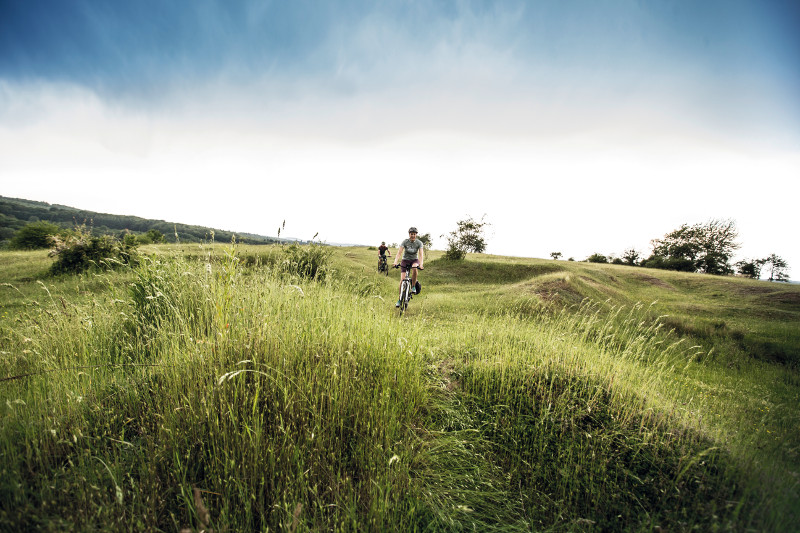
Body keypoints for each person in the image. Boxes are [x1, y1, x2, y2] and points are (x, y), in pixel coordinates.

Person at [392, 227, 424, 307]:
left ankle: (413, 286)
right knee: (402, 280)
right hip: (405, 260)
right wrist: (395, 262)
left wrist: (421, 264)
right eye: (411, 234)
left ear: (416, 235)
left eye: (414, 234)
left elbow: (421, 255)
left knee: (414, 268)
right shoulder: (405, 242)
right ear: (409, 234)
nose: (413, 235)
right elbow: (399, 253)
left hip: (414, 260)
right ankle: (399, 299)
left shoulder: (419, 243)